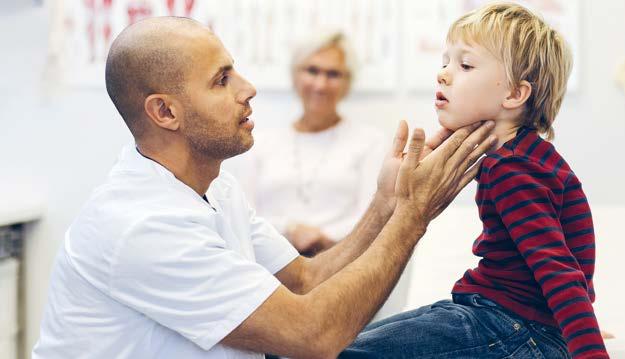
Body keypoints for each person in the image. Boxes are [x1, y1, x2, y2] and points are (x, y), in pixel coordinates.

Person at [32, 17, 497, 359]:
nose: (248, 88)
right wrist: (412, 216)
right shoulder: (141, 224)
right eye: (222, 80)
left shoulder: (216, 188)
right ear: (165, 113)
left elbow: (307, 279)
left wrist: (387, 204)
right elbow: (312, 335)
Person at [341, 3, 609, 358]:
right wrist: (565, 324)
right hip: (510, 319)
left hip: (509, 325)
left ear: (514, 94)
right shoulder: (531, 157)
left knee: (340, 351)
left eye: (465, 65)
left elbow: (557, 267)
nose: (444, 75)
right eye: (445, 62)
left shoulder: (512, 169)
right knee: (343, 340)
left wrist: (584, 345)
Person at [232, 31, 387, 257]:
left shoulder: (371, 141)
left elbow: (372, 215)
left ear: (347, 83)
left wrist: (322, 238)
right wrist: (290, 230)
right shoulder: (260, 142)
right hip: (270, 267)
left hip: (341, 263)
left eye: (333, 74)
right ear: (295, 76)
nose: (320, 84)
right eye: (312, 71)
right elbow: (242, 215)